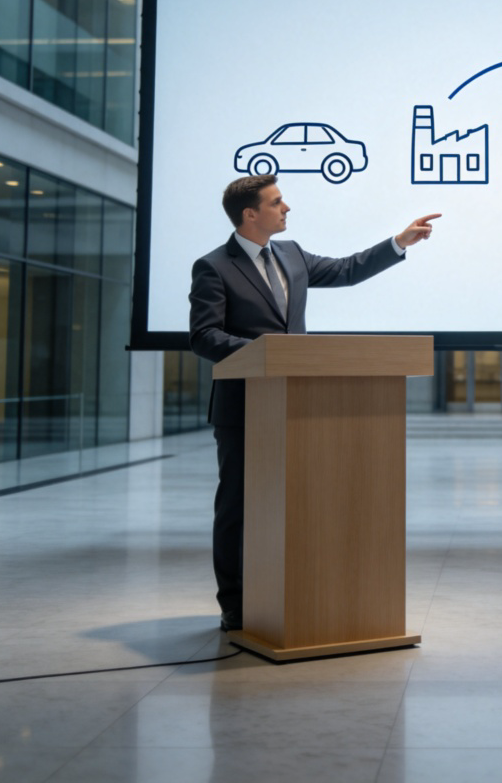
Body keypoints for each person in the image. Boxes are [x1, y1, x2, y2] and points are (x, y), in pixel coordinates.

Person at [189, 174, 440, 631]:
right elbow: (204, 336)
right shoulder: (214, 266)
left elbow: (347, 270)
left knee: (299, 504)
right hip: (244, 408)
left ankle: (293, 591)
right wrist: (267, 351)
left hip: (298, 407)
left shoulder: (292, 254)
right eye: (277, 202)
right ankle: (236, 602)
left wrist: (399, 243)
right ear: (250, 214)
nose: (286, 208)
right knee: (238, 508)